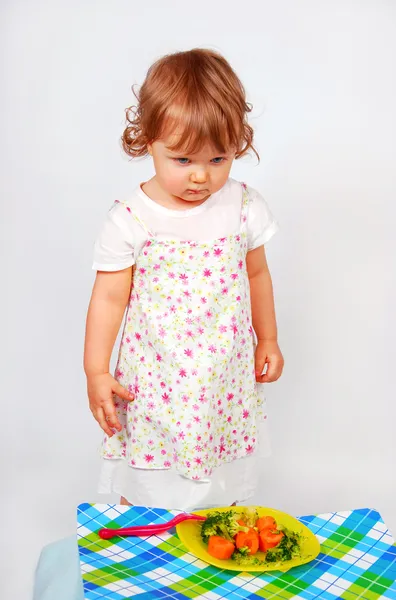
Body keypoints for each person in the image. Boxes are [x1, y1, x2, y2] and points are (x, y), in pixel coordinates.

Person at [84, 48, 284, 511]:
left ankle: (214, 554)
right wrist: (96, 369)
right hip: (157, 376)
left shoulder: (244, 206)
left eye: (218, 159)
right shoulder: (132, 218)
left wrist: (268, 337)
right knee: (152, 487)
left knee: (222, 484)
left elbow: (257, 273)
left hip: (223, 377)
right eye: (182, 159)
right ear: (147, 141)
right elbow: (109, 299)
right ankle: (150, 555)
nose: (200, 176)